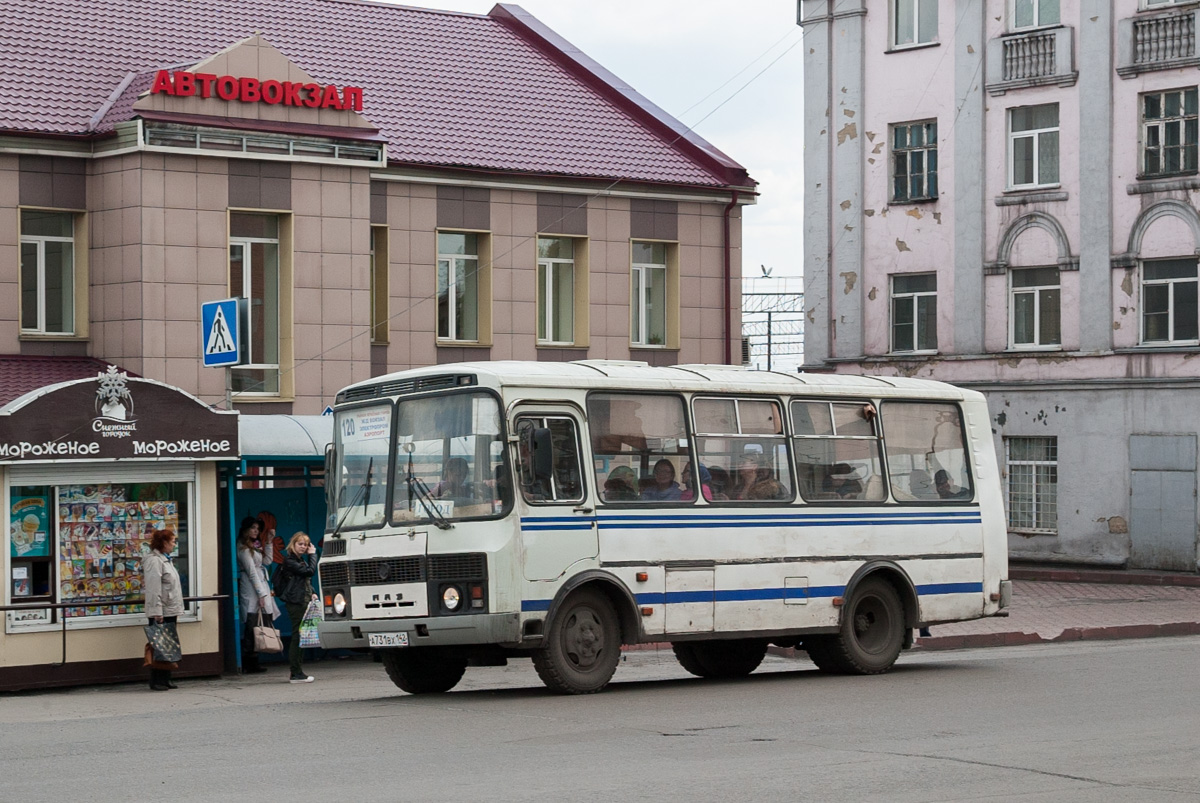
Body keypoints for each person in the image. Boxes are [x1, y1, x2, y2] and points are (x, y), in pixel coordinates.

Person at [275, 532, 320, 683]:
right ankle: (295, 672)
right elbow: (310, 572)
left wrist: (312, 592)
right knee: (298, 635)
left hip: (303, 600)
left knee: (301, 635)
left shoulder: (300, 561)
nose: (303, 547)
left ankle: (298, 671)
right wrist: (313, 555)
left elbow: (304, 580)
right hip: (296, 602)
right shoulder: (289, 561)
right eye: (300, 544)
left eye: (306, 545)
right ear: (293, 544)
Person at [236, 516, 277, 674]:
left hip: (261, 584)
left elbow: (267, 561)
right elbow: (252, 573)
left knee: (259, 624)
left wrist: (269, 543)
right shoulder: (243, 548)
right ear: (246, 529)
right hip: (251, 588)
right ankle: (249, 661)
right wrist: (261, 594)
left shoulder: (254, 545)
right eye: (253, 528)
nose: (256, 531)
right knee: (251, 624)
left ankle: (255, 659)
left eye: (258, 529)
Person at [143, 528, 182, 691]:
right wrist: (156, 611)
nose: (174, 544)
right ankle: (156, 680)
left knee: (168, 645)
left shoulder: (166, 560)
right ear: (164, 543)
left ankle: (166, 678)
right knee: (159, 646)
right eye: (172, 541)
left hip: (170, 608)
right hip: (162, 611)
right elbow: (153, 588)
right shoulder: (154, 561)